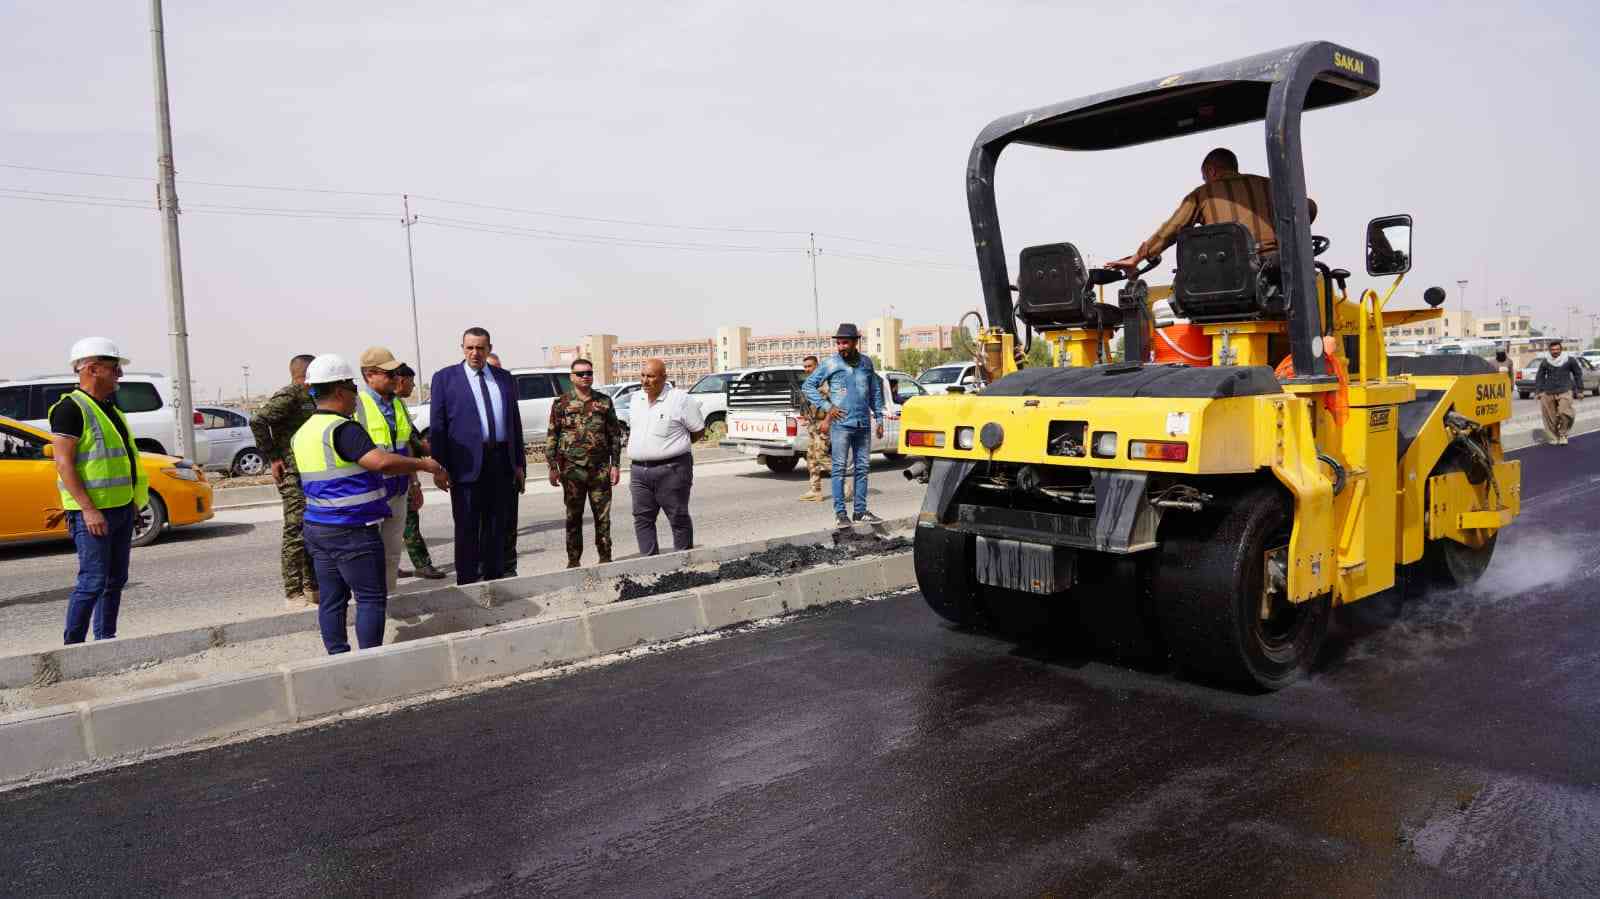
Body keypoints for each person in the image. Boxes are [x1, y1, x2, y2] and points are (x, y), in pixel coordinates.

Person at [294, 354, 447, 654]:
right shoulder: (343, 429)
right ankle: (370, 662)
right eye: (352, 387)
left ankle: (338, 656)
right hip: (351, 529)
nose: (356, 395)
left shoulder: (303, 432)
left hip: (317, 527)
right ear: (339, 391)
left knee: (331, 598)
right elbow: (381, 462)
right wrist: (425, 465)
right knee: (370, 598)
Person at [47, 337, 143, 644]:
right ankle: (73, 648)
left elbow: (123, 461)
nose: (120, 376)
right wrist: (88, 509)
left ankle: (105, 641)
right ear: (93, 368)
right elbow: (64, 464)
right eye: (115, 369)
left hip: (120, 509)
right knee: (92, 581)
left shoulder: (109, 409)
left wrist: (132, 504)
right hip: (93, 515)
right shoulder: (69, 409)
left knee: (115, 581)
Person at [1109, 147, 1318, 272]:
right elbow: (1308, 207)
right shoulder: (1268, 185)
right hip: (1276, 272)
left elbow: (1173, 228)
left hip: (1227, 275)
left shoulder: (1204, 193)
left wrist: (1137, 258)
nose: (1205, 180)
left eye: (1204, 176)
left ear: (1211, 171)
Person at [428, 327, 526, 584]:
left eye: (480, 348)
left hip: (500, 463)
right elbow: (438, 427)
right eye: (469, 347)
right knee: (467, 528)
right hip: (465, 465)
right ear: (462, 348)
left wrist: (518, 463)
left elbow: (514, 423)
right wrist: (439, 467)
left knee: (496, 527)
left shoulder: (503, 378)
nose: (475, 353)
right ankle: (468, 584)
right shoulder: (445, 379)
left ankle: (494, 582)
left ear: (489, 349)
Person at [249, 354, 321, 610]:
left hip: (310, 471)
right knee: (295, 531)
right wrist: (274, 457)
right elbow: (258, 420)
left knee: (312, 528)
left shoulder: (312, 395)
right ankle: (293, 591)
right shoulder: (290, 394)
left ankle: (312, 586)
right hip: (292, 472)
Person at [803, 323, 885, 527]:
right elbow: (808, 386)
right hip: (841, 424)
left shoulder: (867, 363)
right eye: (838, 343)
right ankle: (841, 513)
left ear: (856, 342)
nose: (841, 346)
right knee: (839, 468)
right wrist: (827, 406)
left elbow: (874, 391)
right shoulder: (831, 363)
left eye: (845, 342)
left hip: (863, 424)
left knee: (863, 468)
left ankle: (860, 511)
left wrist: (880, 417)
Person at [355, 347, 423, 591]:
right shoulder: (357, 406)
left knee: (392, 552)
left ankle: (388, 599)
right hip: (370, 492)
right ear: (369, 375)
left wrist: (414, 483)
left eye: (396, 373)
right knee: (369, 554)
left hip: (399, 489)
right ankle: (369, 603)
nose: (396, 377)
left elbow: (406, 447)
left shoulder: (398, 404)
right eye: (389, 373)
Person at [547, 357, 623, 567]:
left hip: (599, 470)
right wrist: (553, 467)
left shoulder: (604, 401)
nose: (585, 377)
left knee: (603, 518)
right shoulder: (561, 403)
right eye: (580, 374)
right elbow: (553, 435)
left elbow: (614, 436)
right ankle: (573, 561)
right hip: (572, 471)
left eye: (589, 373)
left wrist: (615, 465)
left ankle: (605, 558)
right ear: (572, 377)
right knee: (573, 518)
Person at [626, 358, 704, 555]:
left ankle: (683, 564)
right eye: (642, 376)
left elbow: (697, 431)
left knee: (678, 516)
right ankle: (650, 564)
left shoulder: (680, 399)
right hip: (638, 471)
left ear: (664, 378)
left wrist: (673, 447)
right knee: (642, 519)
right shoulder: (636, 399)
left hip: (672, 470)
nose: (645, 381)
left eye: (651, 376)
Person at [391, 363, 445, 579]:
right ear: (401, 381)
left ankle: (389, 566)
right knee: (408, 521)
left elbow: (413, 439)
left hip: (399, 470)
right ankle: (422, 564)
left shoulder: (396, 405)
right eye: (411, 382)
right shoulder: (391, 405)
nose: (413, 386)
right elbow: (409, 444)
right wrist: (415, 479)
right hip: (395, 473)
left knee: (394, 525)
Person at [486, 351, 519, 576]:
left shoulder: (505, 385)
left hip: (505, 462)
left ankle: (508, 568)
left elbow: (515, 428)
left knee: (508, 520)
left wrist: (519, 465)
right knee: (483, 522)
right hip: (479, 463)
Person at [798, 354, 847, 503]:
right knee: (811, 457)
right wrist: (806, 417)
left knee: (822, 456)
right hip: (813, 425)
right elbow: (809, 406)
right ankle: (815, 491)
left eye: (810, 366)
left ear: (817, 366)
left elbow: (836, 405)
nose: (807, 369)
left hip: (824, 424)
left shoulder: (826, 385)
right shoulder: (809, 385)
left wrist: (827, 421)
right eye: (805, 367)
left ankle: (844, 485)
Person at [1535, 340, 1584, 445]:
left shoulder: (1569, 360)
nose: (1555, 351)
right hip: (1548, 391)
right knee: (1549, 417)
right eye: (1553, 350)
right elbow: (1540, 376)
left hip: (1565, 390)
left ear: (1561, 350)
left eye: (1557, 349)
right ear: (1549, 351)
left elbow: (1578, 374)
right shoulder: (1545, 361)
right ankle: (1553, 437)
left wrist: (1580, 390)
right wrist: (1539, 391)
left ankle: (1563, 434)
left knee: (1564, 412)